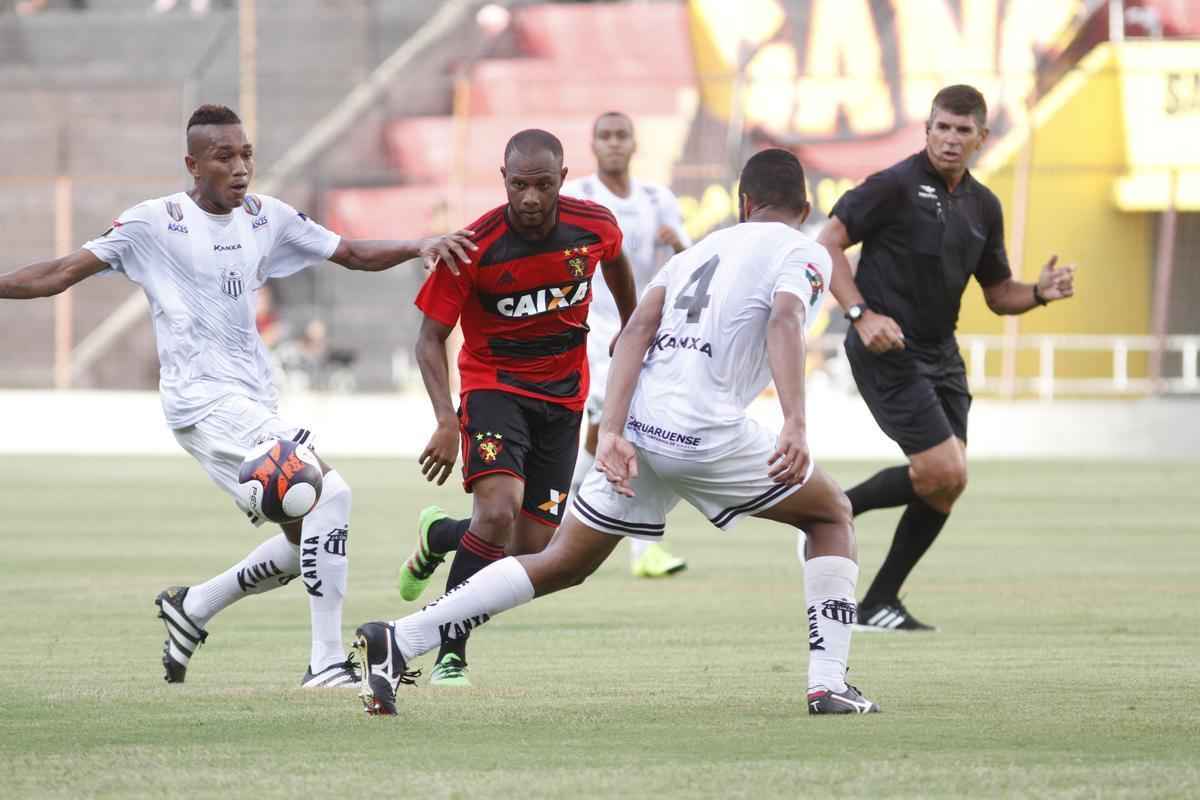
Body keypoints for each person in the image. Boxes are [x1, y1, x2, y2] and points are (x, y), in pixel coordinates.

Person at [355, 148, 880, 716]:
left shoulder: (696, 252)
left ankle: (400, 639)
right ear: (804, 208)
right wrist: (796, 423)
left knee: (561, 562)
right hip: (703, 428)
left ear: (742, 203)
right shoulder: (805, 251)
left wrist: (611, 430)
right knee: (830, 515)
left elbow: (633, 334)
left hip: (641, 427)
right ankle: (828, 684)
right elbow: (784, 318)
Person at [0, 104, 475, 687]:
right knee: (330, 493)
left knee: (308, 532)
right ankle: (325, 664)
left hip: (252, 400)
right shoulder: (154, 223)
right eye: (224, 156)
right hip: (201, 401)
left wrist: (416, 245)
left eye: (246, 153)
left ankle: (194, 606)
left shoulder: (264, 218)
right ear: (193, 164)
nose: (241, 166)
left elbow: (349, 252)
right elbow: (60, 272)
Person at [816, 85, 1076, 631]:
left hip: (941, 354)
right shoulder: (893, 186)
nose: (951, 139)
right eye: (942, 127)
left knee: (948, 483)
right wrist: (860, 314)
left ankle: (879, 600)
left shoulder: (984, 205)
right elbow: (827, 243)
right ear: (927, 129)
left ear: (982, 137)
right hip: (885, 348)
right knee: (944, 468)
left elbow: (999, 293)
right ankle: (830, 510)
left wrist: (1040, 292)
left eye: (963, 130)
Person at [396, 128, 637, 687]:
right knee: (498, 512)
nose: (530, 198)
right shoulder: (474, 246)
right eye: (520, 185)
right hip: (494, 388)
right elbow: (429, 338)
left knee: (530, 548)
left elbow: (619, 262)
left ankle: (441, 538)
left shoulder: (594, 226)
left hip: (564, 396)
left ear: (562, 180)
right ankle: (450, 648)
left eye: (543, 185)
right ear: (503, 179)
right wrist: (445, 420)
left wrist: (630, 326)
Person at [562, 110, 692, 579]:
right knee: (616, 426)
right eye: (605, 136)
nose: (614, 144)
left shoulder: (658, 200)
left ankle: (562, 501)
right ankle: (630, 542)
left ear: (635, 145)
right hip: (591, 330)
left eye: (622, 136)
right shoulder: (578, 196)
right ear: (593, 145)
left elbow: (691, 262)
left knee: (618, 430)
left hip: (641, 331)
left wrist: (678, 242)